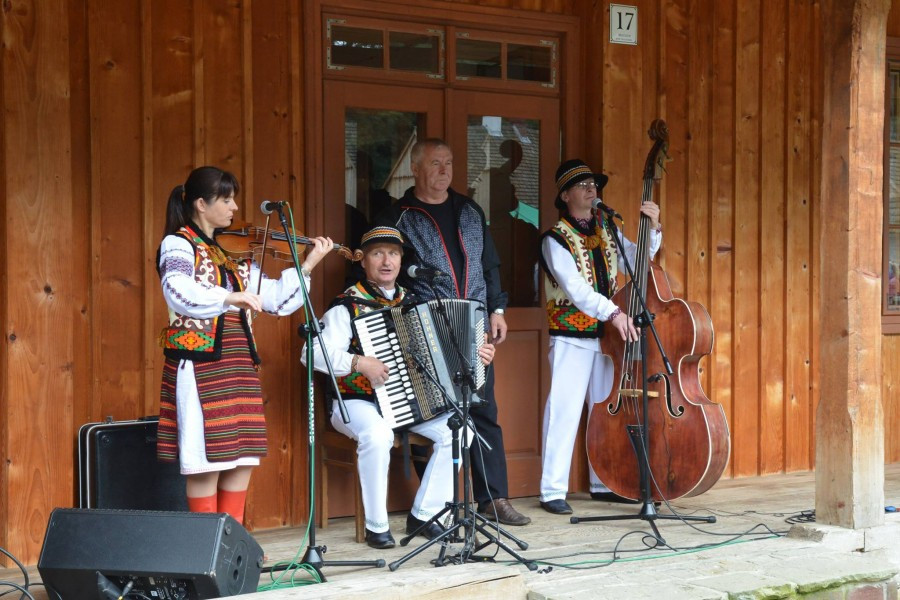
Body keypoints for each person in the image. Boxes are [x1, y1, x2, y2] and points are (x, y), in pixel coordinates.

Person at [156, 165, 332, 525]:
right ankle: (205, 545)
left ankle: (231, 542)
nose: (235, 207)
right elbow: (178, 290)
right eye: (226, 199)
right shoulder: (177, 244)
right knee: (206, 458)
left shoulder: (235, 254)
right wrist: (229, 297)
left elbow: (277, 301)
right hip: (201, 362)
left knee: (242, 455)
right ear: (201, 204)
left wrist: (309, 263)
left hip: (238, 365)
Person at [303, 226, 496, 549]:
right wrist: (358, 363)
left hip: (408, 402)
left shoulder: (418, 303)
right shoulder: (346, 306)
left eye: (393, 253)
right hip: (356, 402)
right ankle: (376, 526)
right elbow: (310, 354)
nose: (387, 261)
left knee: (460, 428)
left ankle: (424, 514)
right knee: (378, 435)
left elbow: (448, 357)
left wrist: (478, 357)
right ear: (363, 261)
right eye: (378, 253)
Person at [376, 138, 531, 527]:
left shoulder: (469, 210)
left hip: (474, 321)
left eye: (448, 163)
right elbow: (387, 272)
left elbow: (489, 265)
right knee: (436, 412)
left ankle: (493, 498)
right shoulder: (398, 217)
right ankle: (434, 506)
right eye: (435, 163)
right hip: (424, 326)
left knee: (483, 410)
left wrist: (497, 309)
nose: (444, 171)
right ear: (416, 168)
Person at [537, 158, 662, 515]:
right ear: (565, 195)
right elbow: (575, 289)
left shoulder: (606, 227)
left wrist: (652, 229)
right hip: (571, 334)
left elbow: (637, 263)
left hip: (606, 336)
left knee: (603, 411)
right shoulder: (555, 239)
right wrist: (615, 312)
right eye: (583, 185)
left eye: (594, 185)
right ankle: (552, 490)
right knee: (564, 409)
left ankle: (601, 481)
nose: (593, 190)